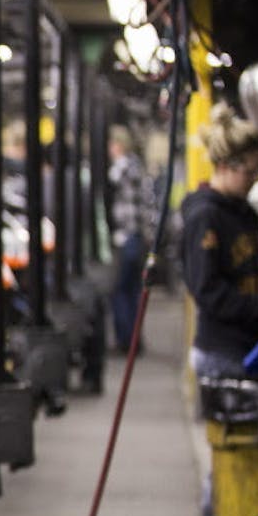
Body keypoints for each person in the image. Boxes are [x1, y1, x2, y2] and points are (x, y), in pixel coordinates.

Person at [176, 103, 258, 516]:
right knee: (230, 460)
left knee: (233, 460)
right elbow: (207, 291)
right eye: (250, 172)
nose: (255, 180)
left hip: (247, 349)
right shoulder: (206, 217)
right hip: (224, 352)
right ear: (228, 166)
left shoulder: (242, 212)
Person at [107, 124, 157, 353]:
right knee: (133, 290)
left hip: (127, 236)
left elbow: (109, 182)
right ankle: (136, 339)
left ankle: (126, 340)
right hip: (137, 237)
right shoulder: (137, 166)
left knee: (121, 290)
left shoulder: (123, 167)